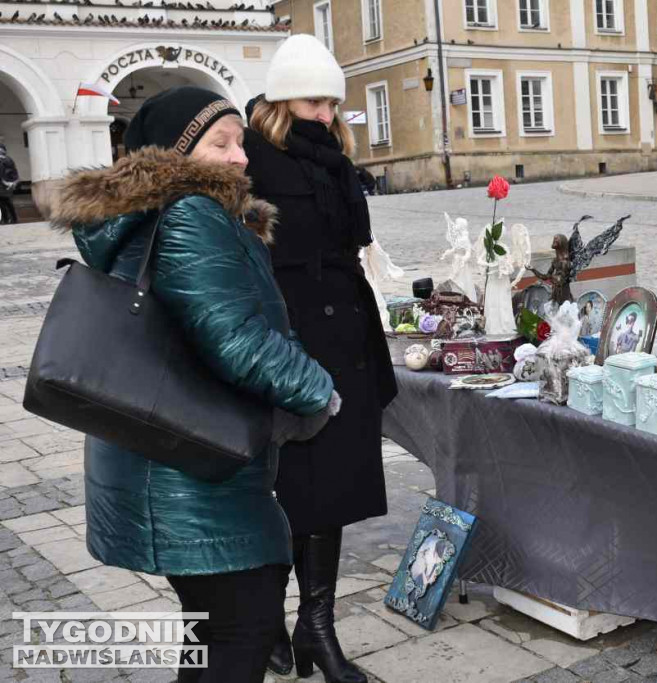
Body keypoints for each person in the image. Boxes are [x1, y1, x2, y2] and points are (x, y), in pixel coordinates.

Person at [50, 86, 339, 682]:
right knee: (246, 625)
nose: (241, 157)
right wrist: (318, 390)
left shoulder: (153, 212)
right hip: (194, 469)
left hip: (161, 457)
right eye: (221, 144)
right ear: (175, 157)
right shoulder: (192, 211)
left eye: (240, 141)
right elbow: (233, 339)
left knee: (210, 629)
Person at [243, 34, 397, 683]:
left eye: (333, 103)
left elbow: (353, 241)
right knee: (287, 490)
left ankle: (316, 623)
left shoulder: (333, 158)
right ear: (282, 102)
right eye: (314, 102)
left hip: (346, 339)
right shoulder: (248, 160)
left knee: (330, 489)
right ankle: (267, 621)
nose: (327, 115)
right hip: (290, 344)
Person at [0, 143, 19, 224]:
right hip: (3, 183)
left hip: (6, 184)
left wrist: (12, 182)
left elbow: (13, 172)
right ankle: (6, 219)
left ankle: (13, 219)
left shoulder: (7, 160)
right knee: (2, 203)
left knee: (7, 202)